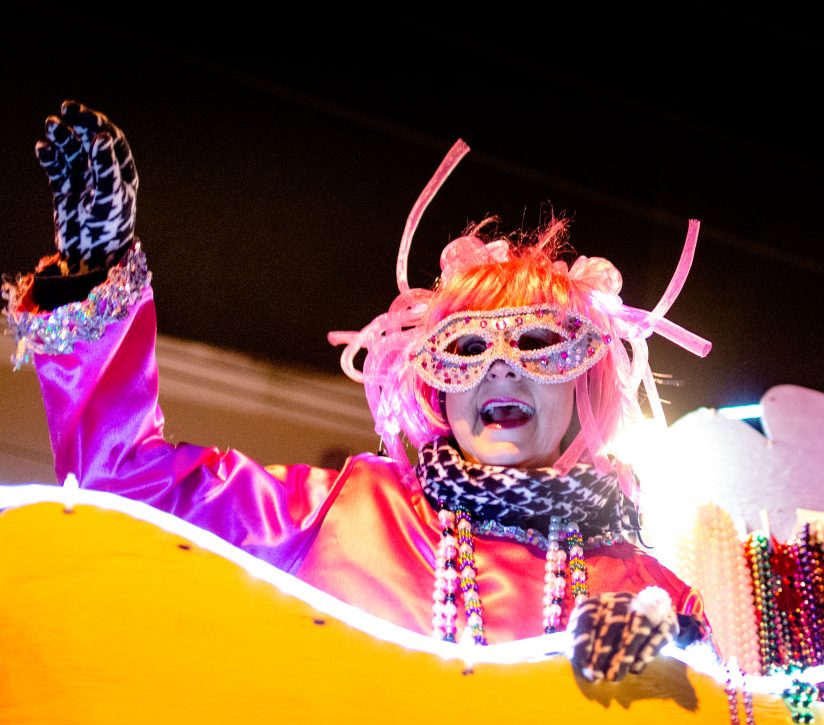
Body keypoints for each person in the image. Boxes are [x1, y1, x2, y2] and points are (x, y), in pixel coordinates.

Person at [2, 100, 713, 682]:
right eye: (465, 347)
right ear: (435, 382)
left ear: (584, 376)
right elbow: (125, 484)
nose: (500, 367)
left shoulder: (645, 589)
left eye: (536, 344)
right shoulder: (346, 512)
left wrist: (675, 660)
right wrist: (95, 270)